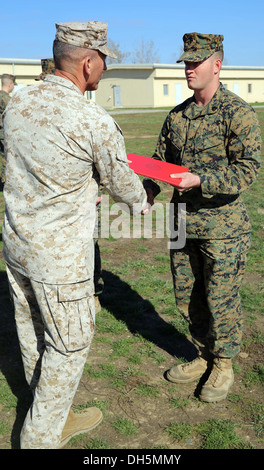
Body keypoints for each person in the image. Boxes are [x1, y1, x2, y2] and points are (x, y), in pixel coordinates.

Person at [2, 21, 147, 449]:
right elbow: (129, 193)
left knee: (32, 335)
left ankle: (52, 413)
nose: (105, 70)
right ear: (88, 63)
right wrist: (146, 193)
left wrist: (82, 191)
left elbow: (42, 168)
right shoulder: (91, 118)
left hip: (17, 244)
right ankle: (41, 437)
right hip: (60, 260)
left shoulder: (19, 99)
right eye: (103, 61)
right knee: (69, 346)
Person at [144, 33, 261, 403]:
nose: (189, 69)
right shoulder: (177, 115)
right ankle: (202, 354)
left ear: (217, 64)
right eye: (186, 62)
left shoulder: (237, 112)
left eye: (196, 62)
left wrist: (202, 179)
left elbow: (249, 169)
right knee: (187, 295)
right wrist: (149, 190)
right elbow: (160, 161)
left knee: (221, 297)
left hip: (221, 227)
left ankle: (223, 364)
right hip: (181, 225)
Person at [0, 73, 17, 184]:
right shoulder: (8, 100)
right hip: (4, 134)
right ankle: (5, 183)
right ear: (10, 85)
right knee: (6, 159)